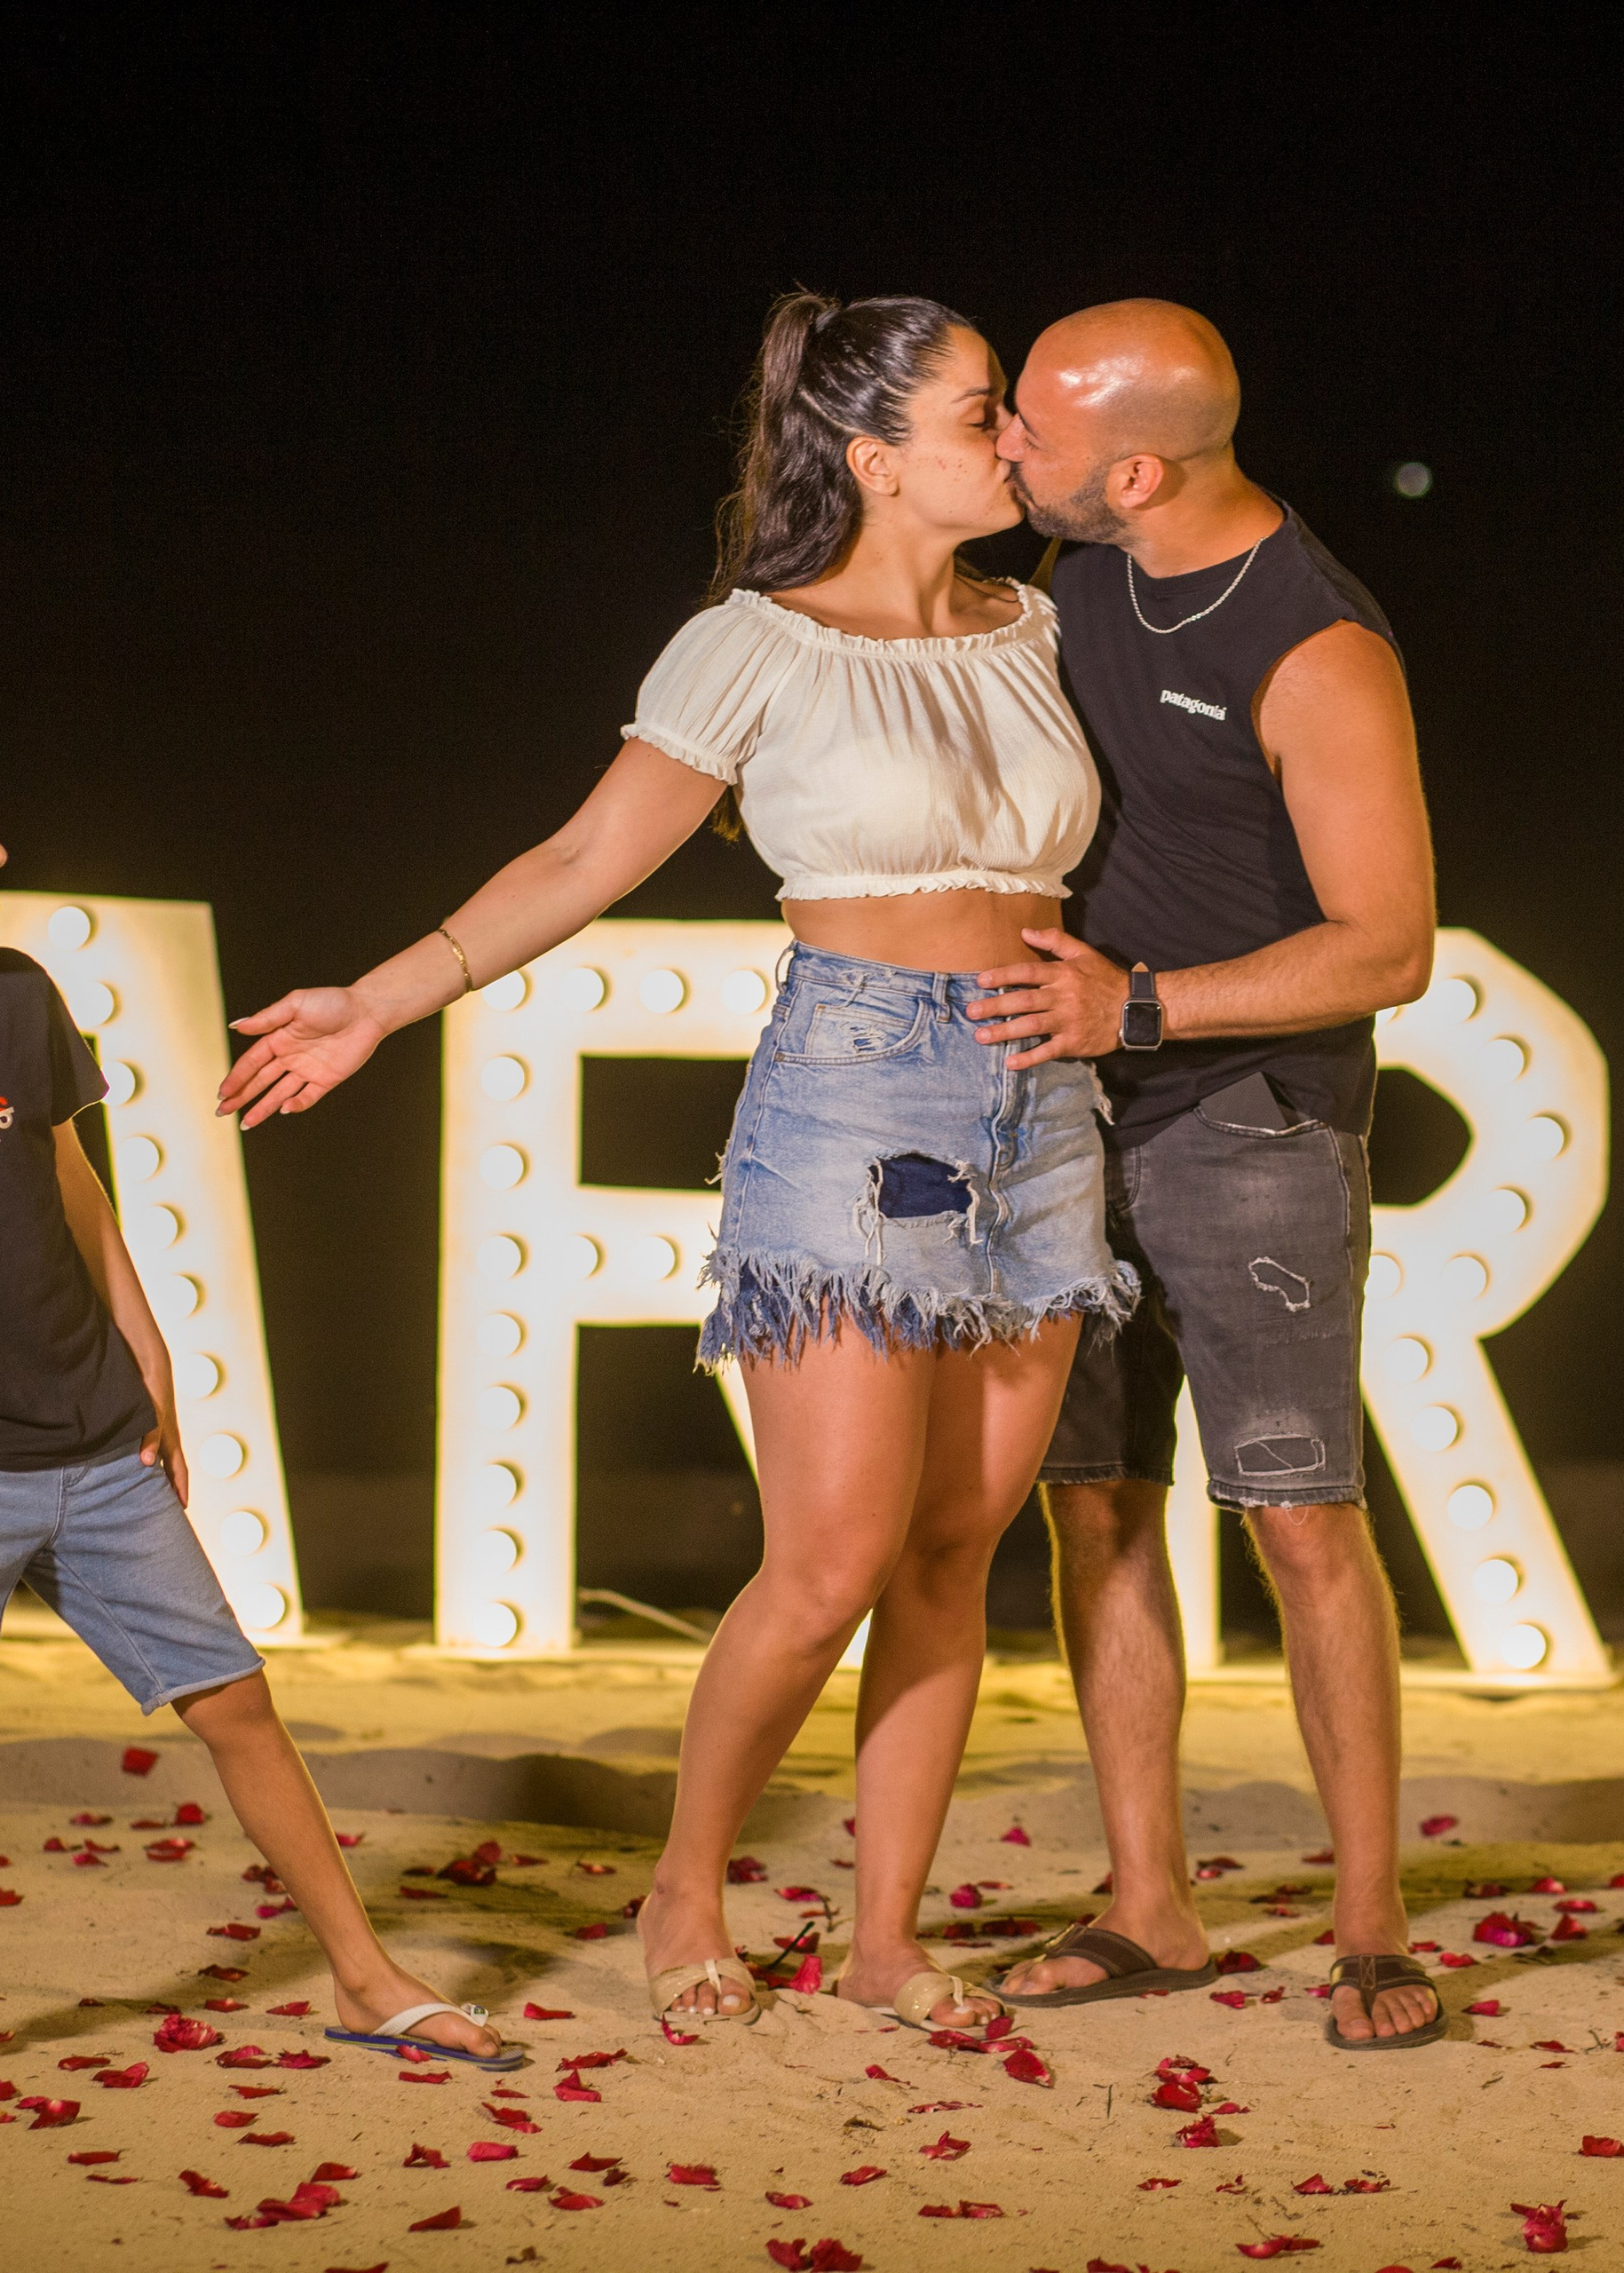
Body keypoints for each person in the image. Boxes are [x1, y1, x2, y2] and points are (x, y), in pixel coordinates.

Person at [218, 291, 1134, 2032]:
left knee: (956, 1548)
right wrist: (379, 998)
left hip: (1041, 1100)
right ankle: (685, 1879)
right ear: (871, 458)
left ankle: (884, 1937)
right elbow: (582, 855)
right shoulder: (755, 642)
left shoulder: (1039, 623)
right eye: (978, 409)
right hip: (858, 1097)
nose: (1010, 435)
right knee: (832, 1556)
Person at [978, 302, 1444, 2048]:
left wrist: (1141, 1003)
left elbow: (1386, 943)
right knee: (1089, 1497)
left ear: (1136, 466)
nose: (997, 439)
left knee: (1295, 1512)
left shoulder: (1313, 642)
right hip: (1060, 1102)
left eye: (1022, 421)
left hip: (1247, 1112)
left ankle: (1371, 1921)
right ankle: (1147, 1902)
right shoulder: (1073, 561)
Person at [0, 837, 519, 2070]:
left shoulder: (18, 991)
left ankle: (364, 1981)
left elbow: (70, 1178)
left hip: (96, 1444)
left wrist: (152, 1356)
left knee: (239, 1706)